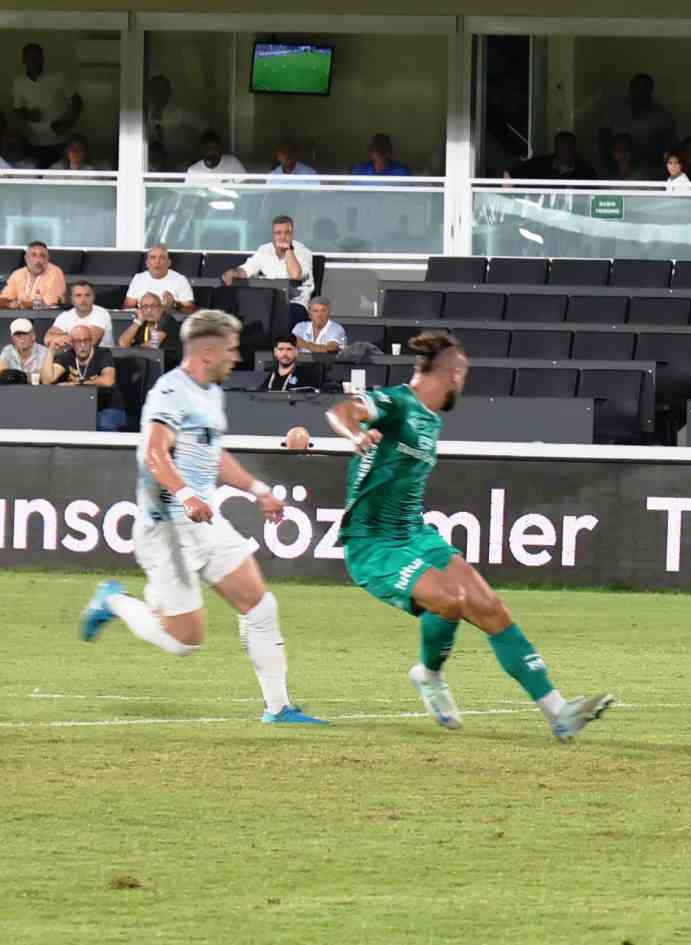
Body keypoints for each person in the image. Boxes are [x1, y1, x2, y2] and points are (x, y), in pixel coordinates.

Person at [323, 331, 614, 739]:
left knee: (490, 607)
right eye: (465, 375)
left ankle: (559, 713)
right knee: (448, 601)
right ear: (453, 374)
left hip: (415, 533)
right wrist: (356, 434)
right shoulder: (396, 402)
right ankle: (429, 675)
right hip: (373, 544)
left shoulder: (432, 420)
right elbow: (342, 410)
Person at [77, 310, 325, 725]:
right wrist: (187, 494)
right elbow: (154, 453)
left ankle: (279, 708)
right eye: (230, 348)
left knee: (260, 606)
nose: (237, 355)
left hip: (204, 522)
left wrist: (258, 490)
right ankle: (114, 600)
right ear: (207, 352)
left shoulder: (211, 391)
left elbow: (213, 456)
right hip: (167, 528)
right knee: (185, 642)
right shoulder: (170, 393)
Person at [223, 215, 314, 317]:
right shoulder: (264, 250)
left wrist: (288, 249)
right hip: (266, 301)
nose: (282, 237)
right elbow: (246, 270)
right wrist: (234, 273)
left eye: (287, 233)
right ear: (273, 235)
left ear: (292, 234)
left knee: (284, 314)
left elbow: (295, 275)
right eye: (278, 233)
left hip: (295, 303)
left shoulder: (303, 252)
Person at [13, 43, 82, 169]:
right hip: (34, 142)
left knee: (60, 177)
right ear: (23, 60)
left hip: (61, 142)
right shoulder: (18, 83)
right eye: (30, 57)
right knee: (37, 179)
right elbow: (18, 108)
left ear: (43, 59)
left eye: (37, 57)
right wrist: (27, 115)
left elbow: (77, 102)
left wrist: (68, 123)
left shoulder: (58, 77)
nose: (33, 61)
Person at [43, 323, 124, 431]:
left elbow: (108, 380)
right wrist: (51, 350)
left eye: (86, 340)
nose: (82, 345)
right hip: (80, 407)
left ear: (91, 341)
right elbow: (47, 380)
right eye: (77, 341)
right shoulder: (68, 356)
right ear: (71, 343)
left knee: (104, 424)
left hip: (108, 406)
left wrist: (77, 384)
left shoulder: (103, 353)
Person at [601, 73, 675, 170]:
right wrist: (608, 161)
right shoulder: (615, 112)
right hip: (617, 170)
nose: (640, 92)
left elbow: (669, 148)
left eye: (644, 89)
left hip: (650, 169)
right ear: (631, 89)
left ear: (650, 90)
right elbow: (603, 138)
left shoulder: (662, 116)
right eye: (637, 88)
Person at [124, 243, 196, 315]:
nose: (157, 261)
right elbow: (127, 309)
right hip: (144, 321)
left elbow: (190, 312)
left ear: (169, 263)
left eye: (162, 258)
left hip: (171, 322)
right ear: (147, 263)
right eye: (153, 257)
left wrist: (174, 304)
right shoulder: (138, 278)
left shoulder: (180, 280)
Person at [506, 131, 596, 181]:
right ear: (555, 148)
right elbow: (513, 174)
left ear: (574, 149)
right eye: (561, 147)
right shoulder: (539, 165)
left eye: (568, 147)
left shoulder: (585, 171)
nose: (564, 151)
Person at [2, 241, 66, 311]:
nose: (38, 260)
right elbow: (5, 299)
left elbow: (48, 303)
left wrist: (21, 304)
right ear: (26, 258)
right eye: (33, 255)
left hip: (45, 318)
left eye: (43, 256)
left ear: (48, 258)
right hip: (18, 317)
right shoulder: (17, 274)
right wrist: (8, 303)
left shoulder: (55, 272)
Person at [47, 281, 112, 349]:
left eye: (87, 295)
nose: (83, 299)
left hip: (100, 357)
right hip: (71, 357)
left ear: (93, 297)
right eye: (78, 295)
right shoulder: (64, 316)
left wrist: (61, 339)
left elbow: (89, 341)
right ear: (72, 299)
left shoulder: (101, 314)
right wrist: (63, 339)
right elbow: (48, 338)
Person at [116, 292, 181, 356]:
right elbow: (122, 344)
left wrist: (135, 347)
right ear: (140, 309)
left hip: (170, 362)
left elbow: (153, 345)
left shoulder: (166, 319)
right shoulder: (141, 323)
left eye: (153, 306)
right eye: (145, 306)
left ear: (160, 308)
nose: (149, 310)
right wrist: (138, 321)